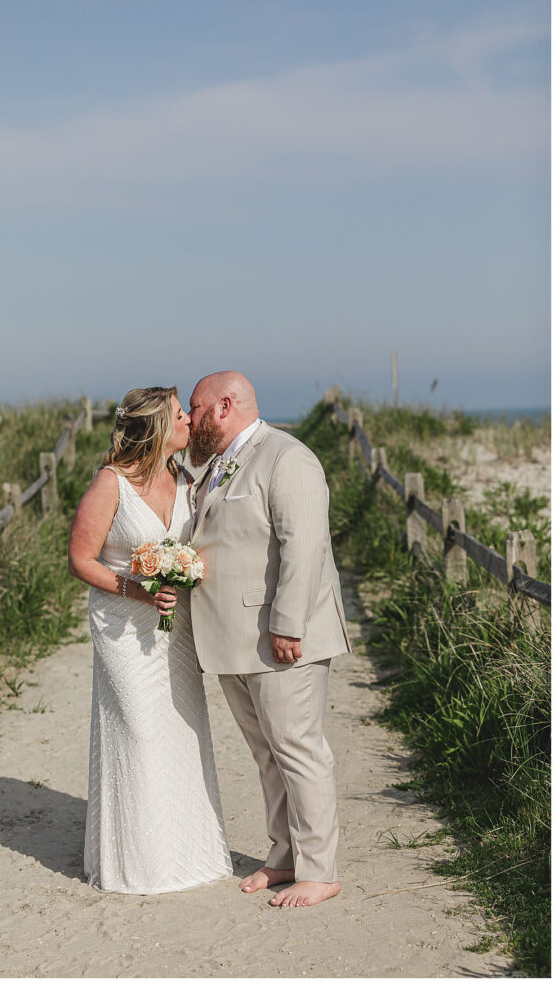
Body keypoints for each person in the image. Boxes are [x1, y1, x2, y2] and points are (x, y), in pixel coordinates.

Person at [187, 371, 351, 908]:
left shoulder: (287, 458)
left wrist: (288, 624)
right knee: (267, 754)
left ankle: (320, 871)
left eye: (196, 408)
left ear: (224, 406)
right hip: (234, 640)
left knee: (299, 750)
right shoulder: (216, 464)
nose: (189, 419)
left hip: (282, 638)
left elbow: (302, 546)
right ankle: (284, 858)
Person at [68, 386, 232, 894]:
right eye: (183, 415)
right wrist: (136, 589)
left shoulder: (184, 477)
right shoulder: (110, 483)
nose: (190, 422)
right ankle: (138, 864)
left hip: (174, 629)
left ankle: (193, 855)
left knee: (181, 731)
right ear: (159, 426)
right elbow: (81, 559)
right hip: (124, 627)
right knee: (137, 732)